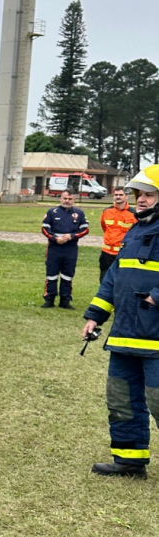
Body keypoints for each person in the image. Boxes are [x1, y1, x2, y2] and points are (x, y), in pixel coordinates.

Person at [83, 165, 159, 479]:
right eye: (138, 193)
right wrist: (94, 315)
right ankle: (130, 460)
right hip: (126, 336)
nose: (140, 199)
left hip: (155, 339)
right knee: (121, 399)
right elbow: (113, 279)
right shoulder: (136, 230)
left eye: (149, 194)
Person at [41, 190, 89, 309]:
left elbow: (85, 229)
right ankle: (49, 299)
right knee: (51, 274)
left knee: (67, 275)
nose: (67, 201)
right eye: (65, 198)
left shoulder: (79, 213)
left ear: (74, 200)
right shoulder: (52, 212)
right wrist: (54, 238)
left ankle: (65, 300)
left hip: (70, 248)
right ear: (60, 198)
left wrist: (72, 236)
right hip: (54, 248)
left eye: (70, 199)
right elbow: (44, 229)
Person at [99, 188, 137, 283]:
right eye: (116, 195)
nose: (118, 197)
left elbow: (136, 233)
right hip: (106, 253)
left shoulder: (133, 213)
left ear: (126, 197)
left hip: (123, 253)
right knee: (104, 280)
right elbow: (104, 227)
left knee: (121, 280)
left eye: (121, 195)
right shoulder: (107, 211)